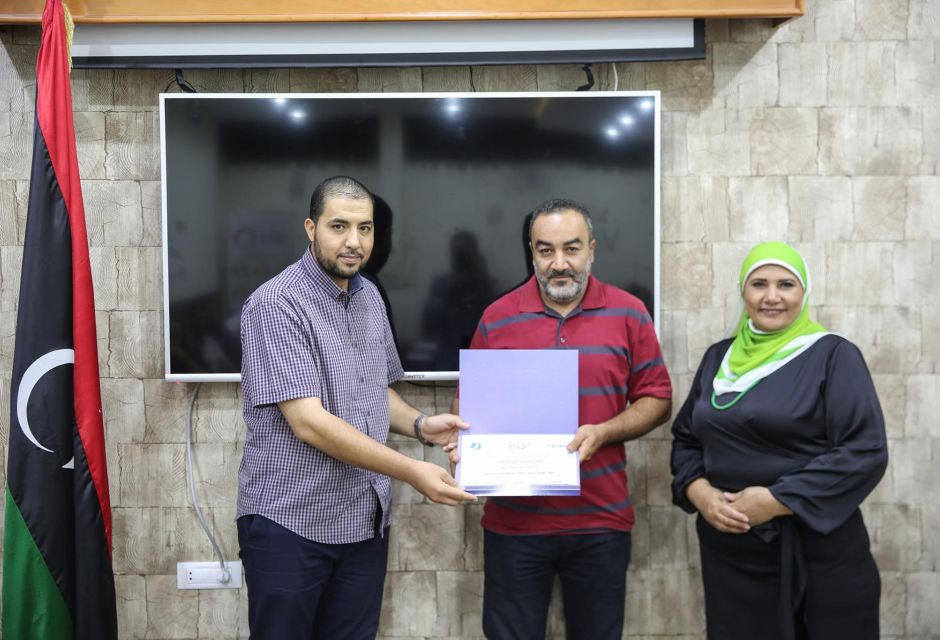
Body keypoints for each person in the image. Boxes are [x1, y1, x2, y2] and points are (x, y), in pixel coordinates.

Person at [237, 175, 477, 640]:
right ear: (311, 228)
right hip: (291, 523)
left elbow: (373, 392)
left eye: (365, 228)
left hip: (363, 523)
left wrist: (423, 425)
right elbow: (309, 422)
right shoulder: (276, 304)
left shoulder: (368, 296)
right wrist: (412, 470)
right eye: (339, 226)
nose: (354, 241)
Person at [451, 198, 673, 640]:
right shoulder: (498, 317)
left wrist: (605, 431)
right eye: (545, 250)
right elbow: (469, 405)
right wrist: (466, 443)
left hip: (601, 522)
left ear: (592, 249)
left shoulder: (629, 312)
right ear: (531, 253)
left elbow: (657, 397)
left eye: (571, 249)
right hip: (514, 525)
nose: (559, 264)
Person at [670, 241, 888, 640]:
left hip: (817, 556)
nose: (772, 297)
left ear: (804, 293)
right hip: (733, 559)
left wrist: (775, 501)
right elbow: (687, 439)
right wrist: (701, 494)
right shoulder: (719, 358)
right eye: (759, 284)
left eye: (786, 284)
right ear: (743, 292)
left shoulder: (833, 355)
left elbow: (864, 451)